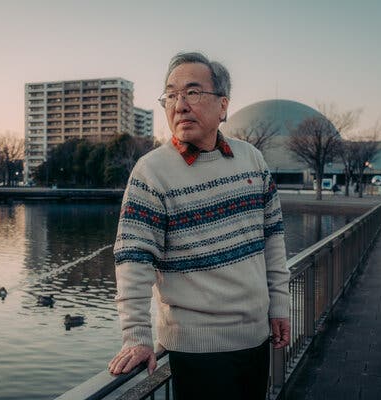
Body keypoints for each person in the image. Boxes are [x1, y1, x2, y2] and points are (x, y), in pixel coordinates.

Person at [107, 51, 290, 400]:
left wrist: (280, 306)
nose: (179, 104)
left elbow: (273, 240)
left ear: (223, 106)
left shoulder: (252, 159)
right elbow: (134, 261)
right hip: (196, 351)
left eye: (192, 92)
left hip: (257, 339)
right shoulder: (151, 173)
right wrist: (137, 337)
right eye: (171, 95)